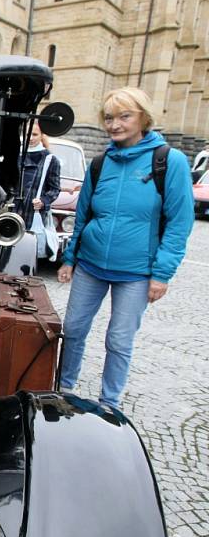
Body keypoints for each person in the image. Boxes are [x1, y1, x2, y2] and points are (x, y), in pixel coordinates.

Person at [57, 87, 194, 409]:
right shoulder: (101, 162)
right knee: (73, 329)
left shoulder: (168, 161)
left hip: (135, 272)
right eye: (108, 117)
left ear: (144, 117)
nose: (114, 124)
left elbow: (179, 222)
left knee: (118, 340)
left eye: (124, 116)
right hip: (91, 265)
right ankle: (64, 388)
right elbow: (84, 213)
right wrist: (69, 258)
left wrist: (161, 274)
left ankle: (111, 403)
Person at [19, 121, 61, 227]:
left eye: (34, 134)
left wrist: (43, 201)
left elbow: (55, 189)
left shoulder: (50, 159)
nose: (31, 138)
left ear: (42, 135)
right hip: (12, 211)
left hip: (33, 214)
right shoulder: (17, 155)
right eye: (28, 134)